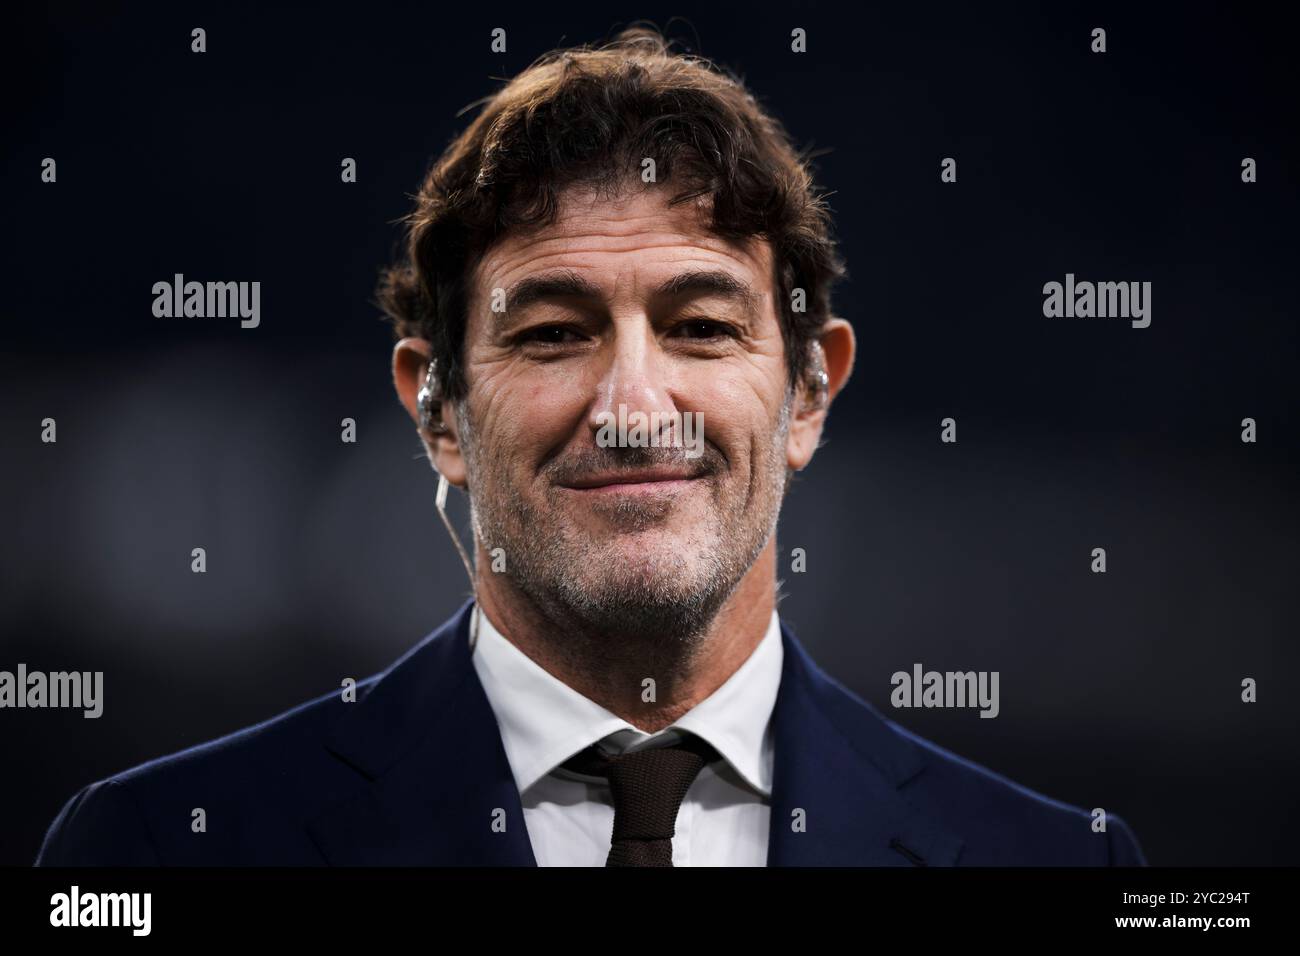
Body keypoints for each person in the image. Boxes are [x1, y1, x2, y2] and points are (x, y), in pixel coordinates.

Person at [37, 26, 1145, 867]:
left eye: (700, 327)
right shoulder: (156, 846)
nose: (629, 404)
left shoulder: (1054, 858)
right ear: (437, 410)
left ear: (808, 391)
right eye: (553, 332)